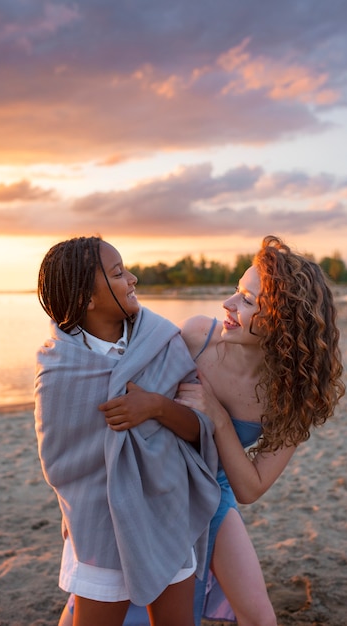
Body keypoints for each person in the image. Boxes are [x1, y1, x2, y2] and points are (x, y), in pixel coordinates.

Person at [58, 235, 345, 626]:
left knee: (261, 618)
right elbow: (120, 401)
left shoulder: (296, 396)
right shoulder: (198, 337)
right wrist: (81, 495)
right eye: (235, 291)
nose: (227, 305)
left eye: (247, 300)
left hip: (213, 491)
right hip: (149, 484)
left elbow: (250, 487)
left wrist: (220, 420)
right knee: (98, 601)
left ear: (284, 320)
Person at [34, 236, 220, 626]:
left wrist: (154, 406)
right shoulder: (59, 370)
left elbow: (199, 431)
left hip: (166, 509)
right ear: (87, 298)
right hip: (99, 526)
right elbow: (61, 464)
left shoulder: (163, 342)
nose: (133, 278)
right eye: (118, 273)